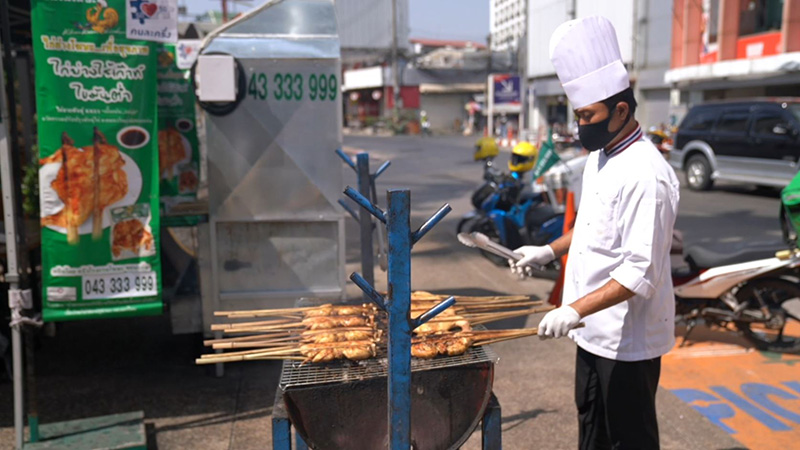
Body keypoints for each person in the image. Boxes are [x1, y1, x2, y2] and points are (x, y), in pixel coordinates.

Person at [509, 16, 680, 450]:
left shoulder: (646, 175)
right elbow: (589, 225)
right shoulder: (601, 155)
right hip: (591, 330)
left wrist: (573, 309)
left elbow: (639, 272)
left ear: (621, 110)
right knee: (592, 429)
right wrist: (547, 251)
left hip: (627, 342)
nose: (581, 125)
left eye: (588, 115)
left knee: (629, 439)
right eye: (578, 115)